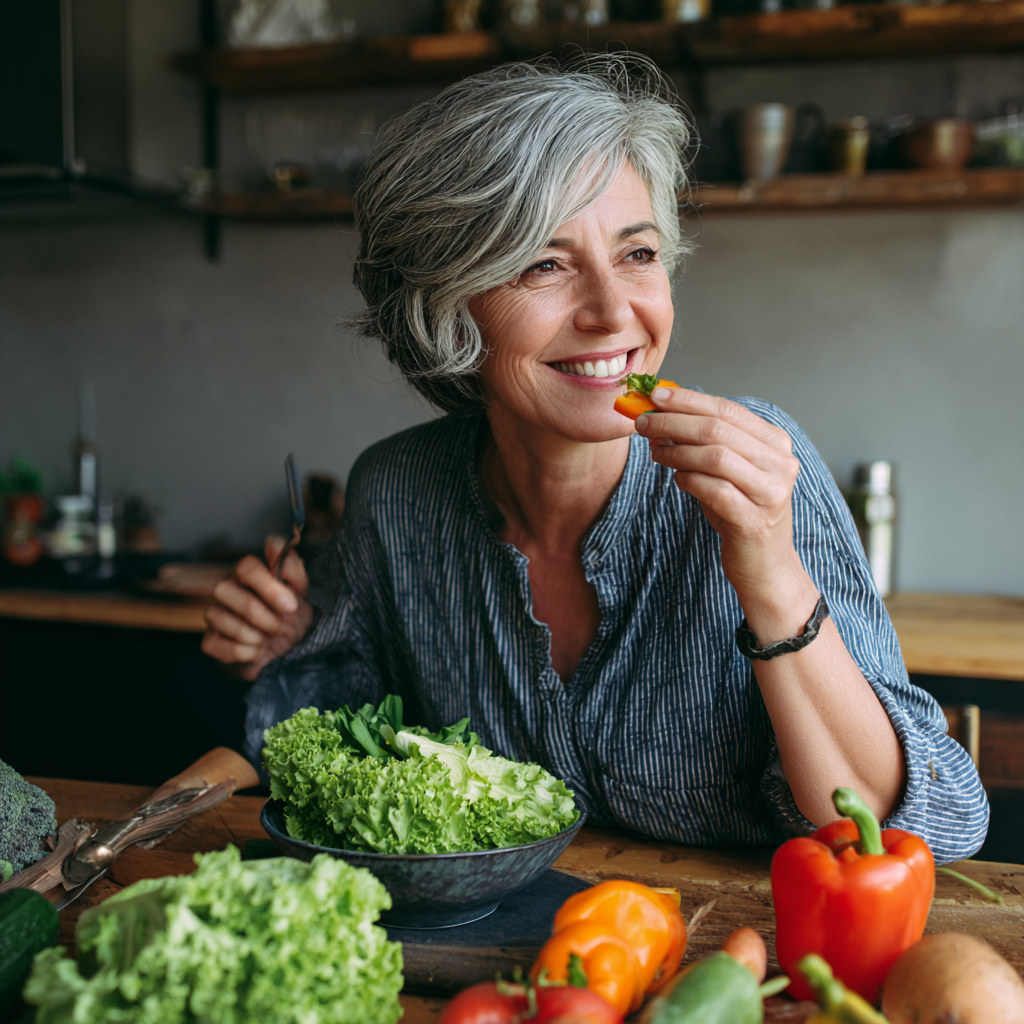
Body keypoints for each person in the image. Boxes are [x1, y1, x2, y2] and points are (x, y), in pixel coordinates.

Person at [202, 54, 987, 862]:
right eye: (544, 264)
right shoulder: (395, 491)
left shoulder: (757, 466)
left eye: (638, 254)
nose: (615, 313)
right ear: (441, 303)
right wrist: (287, 643)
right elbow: (354, 750)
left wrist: (769, 571)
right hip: (497, 964)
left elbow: (919, 828)